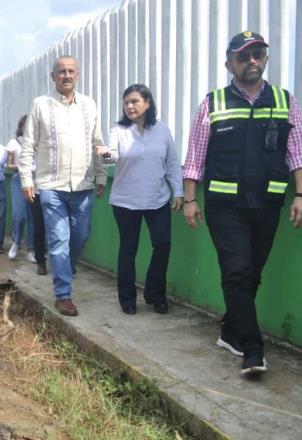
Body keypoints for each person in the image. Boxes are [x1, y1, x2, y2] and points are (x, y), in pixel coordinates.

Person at [182, 31, 302, 376]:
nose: (253, 61)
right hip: (224, 206)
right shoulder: (213, 103)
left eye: (259, 54)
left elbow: (296, 153)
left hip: (267, 204)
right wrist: (190, 199)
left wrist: (300, 194)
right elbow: (195, 157)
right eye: (244, 56)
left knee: (251, 274)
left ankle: (229, 331)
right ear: (229, 63)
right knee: (237, 272)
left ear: (265, 59)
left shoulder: (285, 101)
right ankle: (253, 348)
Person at [19, 55, 108, 317]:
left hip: (82, 185)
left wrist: (101, 177)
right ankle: (63, 294)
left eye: (71, 71)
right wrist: (26, 179)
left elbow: (97, 142)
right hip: (51, 186)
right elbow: (28, 146)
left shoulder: (89, 106)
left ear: (77, 75)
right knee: (59, 241)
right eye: (61, 72)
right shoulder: (41, 105)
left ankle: (64, 269)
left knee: (80, 237)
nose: (66, 75)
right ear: (53, 77)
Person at [99, 84, 183, 315]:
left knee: (163, 245)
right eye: (126, 102)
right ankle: (127, 298)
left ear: (147, 102)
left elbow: (173, 163)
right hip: (126, 201)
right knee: (128, 249)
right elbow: (113, 154)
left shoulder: (163, 130)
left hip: (158, 199)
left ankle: (155, 293)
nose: (130, 106)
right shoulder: (118, 130)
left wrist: (178, 191)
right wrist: (107, 154)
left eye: (135, 101)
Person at [5, 115, 36, 263]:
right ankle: (16, 242)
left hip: (37, 180)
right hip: (19, 180)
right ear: (21, 127)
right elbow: (8, 165)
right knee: (19, 215)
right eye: (26, 126)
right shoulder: (14, 142)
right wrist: (22, 167)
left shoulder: (40, 141)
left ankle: (31, 249)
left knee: (33, 217)